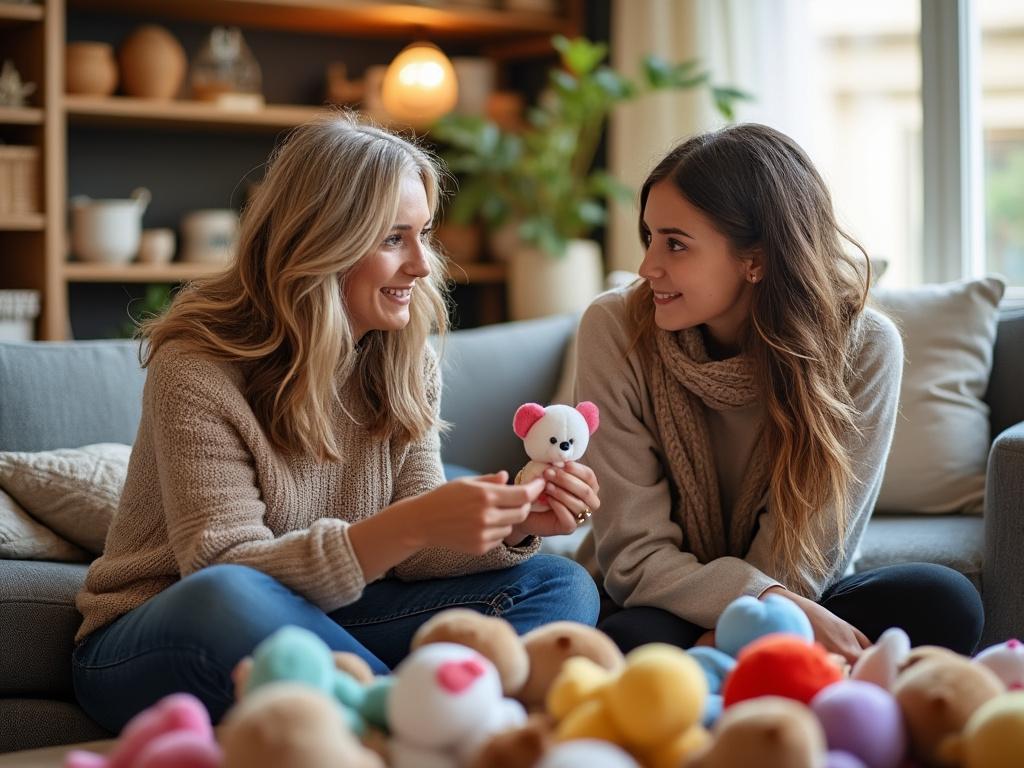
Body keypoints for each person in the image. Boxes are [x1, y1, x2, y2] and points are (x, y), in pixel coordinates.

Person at [72, 114, 600, 733]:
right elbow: (221, 564)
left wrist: (512, 528)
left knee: (558, 585)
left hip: (332, 615)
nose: (423, 266)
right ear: (321, 241)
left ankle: (392, 712)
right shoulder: (197, 367)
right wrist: (412, 523)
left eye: (423, 234)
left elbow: (414, 550)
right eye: (393, 239)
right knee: (227, 595)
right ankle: (424, 717)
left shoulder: (404, 358)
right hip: (164, 632)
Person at [575, 123, 983, 661]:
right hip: (663, 594)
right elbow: (633, 557)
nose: (649, 267)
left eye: (676, 244)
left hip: (799, 593)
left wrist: (738, 628)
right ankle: (783, 667)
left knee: (943, 601)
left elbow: (811, 554)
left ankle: (718, 666)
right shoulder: (615, 326)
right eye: (650, 237)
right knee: (632, 638)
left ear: (757, 259)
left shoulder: (863, 347)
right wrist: (758, 605)